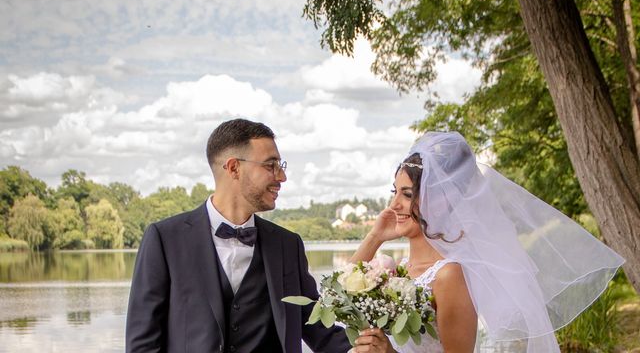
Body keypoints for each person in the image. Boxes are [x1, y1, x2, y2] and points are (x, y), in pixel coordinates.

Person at [351, 131, 625, 353]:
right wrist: (375, 237)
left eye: (407, 194)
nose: (394, 204)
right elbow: (340, 296)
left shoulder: (448, 275)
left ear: (439, 200)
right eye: (394, 192)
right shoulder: (399, 270)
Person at [126, 118, 352, 353]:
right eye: (270, 165)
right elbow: (142, 345)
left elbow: (319, 330)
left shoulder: (287, 245)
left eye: (280, 165)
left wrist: (372, 347)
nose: (282, 177)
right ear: (234, 168)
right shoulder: (165, 239)